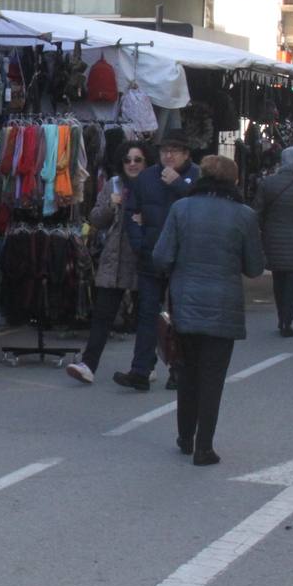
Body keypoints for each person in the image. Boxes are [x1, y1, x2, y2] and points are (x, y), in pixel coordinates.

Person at [153, 155, 264, 467]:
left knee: (186, 372)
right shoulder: (245, 215)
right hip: (223, 306)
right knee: (212, 378)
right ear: (234, 181)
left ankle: (184, 436)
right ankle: (205, 447)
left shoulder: (181, 209)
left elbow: (161, 257)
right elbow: (255, 268)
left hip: (185, 303)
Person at [114, 130, 199, 392]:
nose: (168, 156)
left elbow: (201, 210)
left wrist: (179, 185)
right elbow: (132, 212)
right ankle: (141, 370)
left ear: (186, 154)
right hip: (150, 255)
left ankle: (178, 370)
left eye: (174, 151)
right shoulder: (147, 177)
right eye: (164, 151)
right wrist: (140, 244)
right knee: (147, 314)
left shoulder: (196, 177)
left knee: (178, 317)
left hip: (182, 259)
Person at [66, 141, 151, 384]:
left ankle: (148, 364)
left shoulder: (153, 186)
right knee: (102, 316)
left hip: (140, 259)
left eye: (138, 159)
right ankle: (88, 364)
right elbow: (95, 219)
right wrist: (111, 206)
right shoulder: (113, 184)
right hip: (113, 259)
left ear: (146, 162)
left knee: (145, 316)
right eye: (128, 160)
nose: (132, 164)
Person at [251, 146, 293, 337]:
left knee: (278, 279)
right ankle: (287, 319)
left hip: (273, 238)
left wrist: (260, 231)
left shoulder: (268, 183)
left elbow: (257, 211)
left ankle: (281, 316)